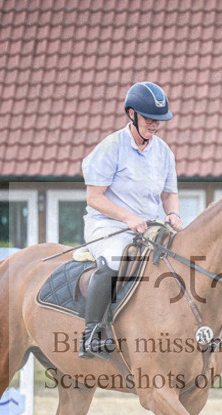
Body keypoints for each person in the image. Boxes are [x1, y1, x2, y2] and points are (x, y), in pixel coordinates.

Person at [78, 81, 182, 358]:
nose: (155, 125)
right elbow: (94, 198)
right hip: (109, 225)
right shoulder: (111, 147)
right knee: (115, 262)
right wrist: (127, 218)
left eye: (159, 120)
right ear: (132, 114)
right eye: (150, 118)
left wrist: (173, 214)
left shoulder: (164, 152)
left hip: (147, 228)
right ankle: (92, 333)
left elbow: (170, 195)